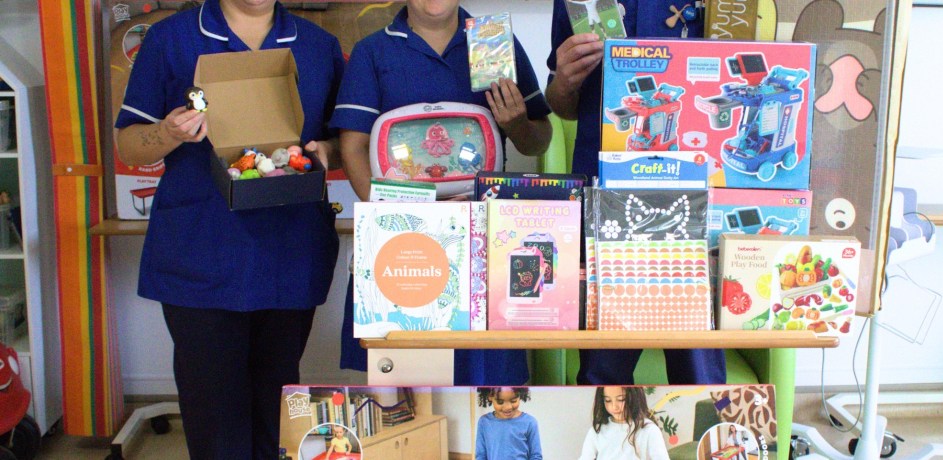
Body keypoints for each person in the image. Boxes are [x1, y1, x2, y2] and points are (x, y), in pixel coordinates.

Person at [113, 1, 344, 457]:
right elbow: (127, 144)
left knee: (278, 412)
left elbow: (345, 139)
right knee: (215, 414)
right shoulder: (171, 39)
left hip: (290, 252)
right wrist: (168, 133)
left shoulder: (317, 46)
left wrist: (326, 153)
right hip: (201, 253)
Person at [331, 0, 552, 385]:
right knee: (407, 379)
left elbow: (538, 141)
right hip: (404, 245)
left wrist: (517, 124)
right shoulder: (373, 51)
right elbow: (353, 147)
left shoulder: (495, 44)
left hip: (483, 239)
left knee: (489, 376)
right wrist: (392, 223)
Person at [546, 0, 726, 386]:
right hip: (608, 194)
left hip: (701, 192)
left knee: (700, 368)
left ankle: (711, 443)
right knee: (603, 368)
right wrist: (564, 81)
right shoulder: (575, 3)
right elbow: (564, 105)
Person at [579, 386, 669, 460]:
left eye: (621, 399)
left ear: (635, 397)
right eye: (608, 400)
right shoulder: (597, 430)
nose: (614, 407)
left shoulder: (649, 429)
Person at [475, 387, 543, 460]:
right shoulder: (484, 422)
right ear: (490, 396)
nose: (508, 407)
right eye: (500, 402)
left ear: (520, 395)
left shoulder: (530, 422)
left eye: (513, 401)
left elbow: (536, 456)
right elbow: (480, 456)